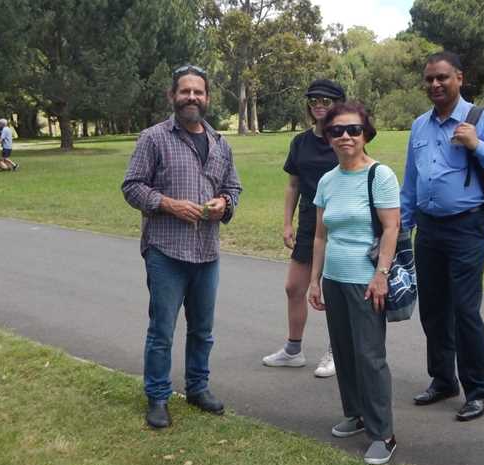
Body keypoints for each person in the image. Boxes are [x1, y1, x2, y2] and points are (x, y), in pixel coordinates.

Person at [401, 51, 484, 421]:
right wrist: (403, 227)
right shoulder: (419, 126)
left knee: (465, 310)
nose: (435, 85)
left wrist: (477, 145)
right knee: (434, 308)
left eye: (442, 77)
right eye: (429, 79)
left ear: (459, 78)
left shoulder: (482, 120)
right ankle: (442, 380)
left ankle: (479, 389)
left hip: (467, 226)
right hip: (428, 227)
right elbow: (412, 180)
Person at [122, 64, 243, 429]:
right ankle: (158, 396)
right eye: (185, 91)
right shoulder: (154, 138)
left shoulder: (221, 143)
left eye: (199, 92)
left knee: (202, 329)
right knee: (162, 329)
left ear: (207, 98)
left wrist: (225, 204)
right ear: (172, 96)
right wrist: (169, 204)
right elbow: (132, 187)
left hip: (207, 252)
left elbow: (233, 188)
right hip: (166, 250)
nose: (192, 97)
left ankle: (197, 387)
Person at [307, 102, 401, 465]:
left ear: (366, 134)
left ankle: (384, 433)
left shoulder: (380, 176)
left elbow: (391, 228)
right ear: (327, 136)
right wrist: (314, 280)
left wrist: (381, 275)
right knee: (345, 353)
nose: (345, 136)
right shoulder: (327, 180)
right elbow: (319, 235)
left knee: (370, 356)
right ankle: (358, 414)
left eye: (354, 130)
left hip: (365, 281)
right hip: (334, 278)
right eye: (336, 130)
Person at [262, 79, 346, 378]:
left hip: (340, 219)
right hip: (310, 219)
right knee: (293, 287)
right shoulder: (300, 142)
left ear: (339, 103)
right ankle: (293, 350)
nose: (319, 104)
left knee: (336, 290)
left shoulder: (344, 137)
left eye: (326, 99)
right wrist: (287, 222)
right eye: (314, 99)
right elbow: (293, 184)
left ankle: (337, 351)